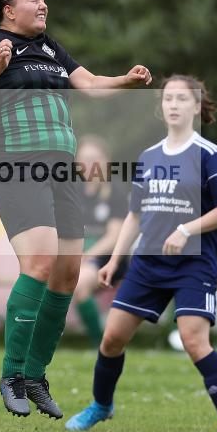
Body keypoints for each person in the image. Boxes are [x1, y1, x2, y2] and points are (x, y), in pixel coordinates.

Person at [0, 0, 151, 418]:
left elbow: (88, 84)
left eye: (45, 0)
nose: (44, 5)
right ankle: (10, 374)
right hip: (16, 165)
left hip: (62, 172)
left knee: (66, 275)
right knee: (40, 264)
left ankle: (35, 375)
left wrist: (125, 80)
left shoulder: (50, 47)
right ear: (9, 10)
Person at [65, 75, 217, 432]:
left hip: (194, 263)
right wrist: (116, 260)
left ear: (197, 106)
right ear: (161, 106)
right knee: (112, 338)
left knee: (194, 341)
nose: (175, 105)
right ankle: (101, 406)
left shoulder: (209, 155)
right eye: (169, 99)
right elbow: (135, 215)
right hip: (149, 263)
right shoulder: (149, 157)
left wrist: (186, 230)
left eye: (183, 99)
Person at [72, 135, 129, 346]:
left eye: (93, 158)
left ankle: (100, 345)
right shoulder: (72, 189)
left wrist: (85, 256)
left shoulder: (115, 190)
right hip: (78, 256)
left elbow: (114, 237)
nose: (88, 164)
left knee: (79, 285)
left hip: (108, 259)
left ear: (106, 161)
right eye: (84, 159)